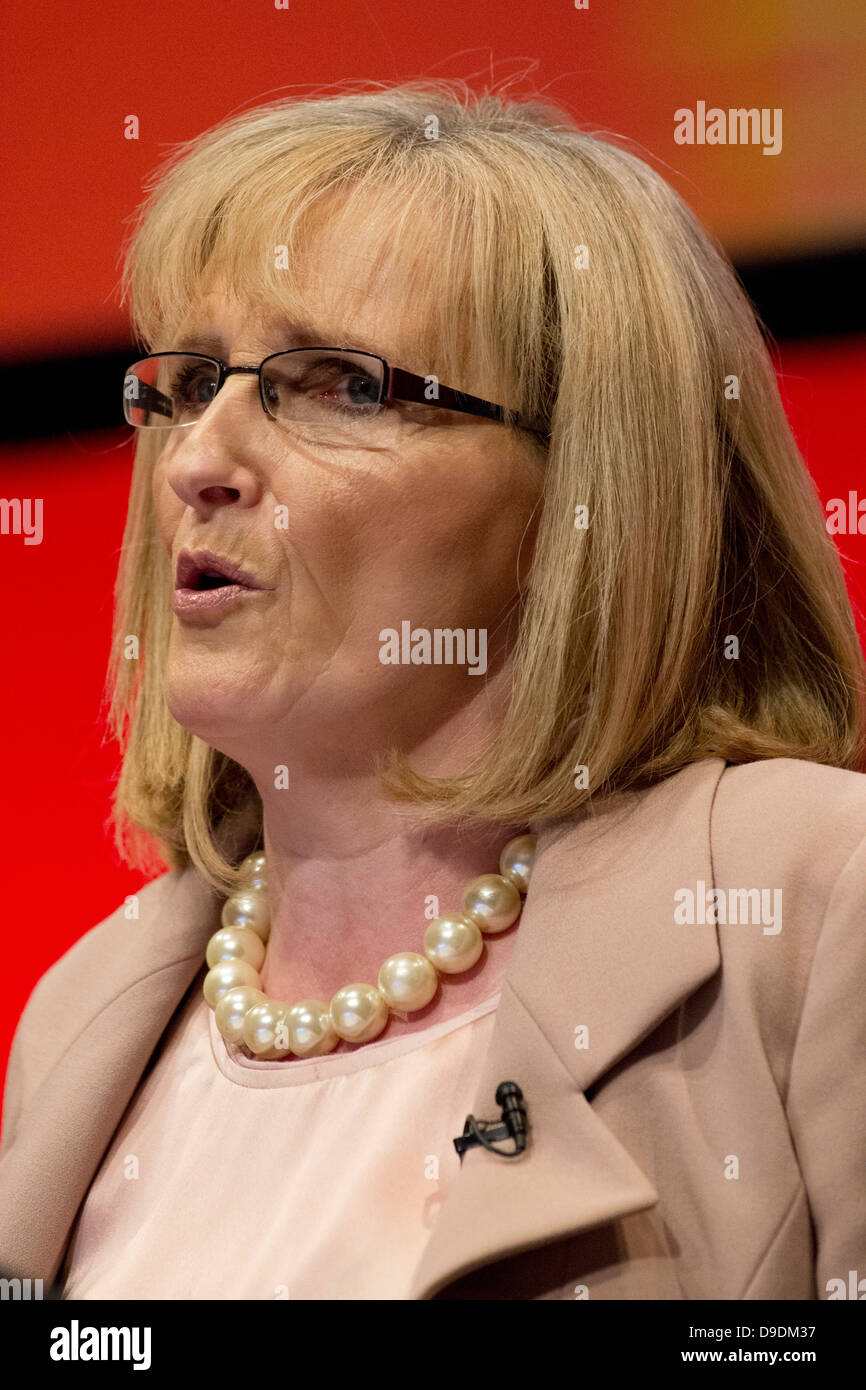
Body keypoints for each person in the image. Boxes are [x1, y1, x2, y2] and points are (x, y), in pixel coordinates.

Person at [1, 80, 864, 1301]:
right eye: (193, 383)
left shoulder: (816, 907)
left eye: (340, 385)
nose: (196, 460)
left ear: (583, 498)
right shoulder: (90, 1014)